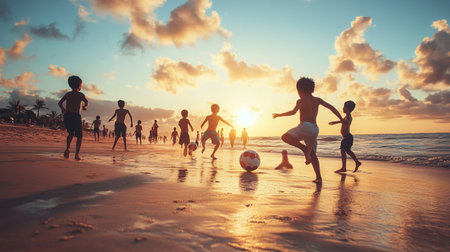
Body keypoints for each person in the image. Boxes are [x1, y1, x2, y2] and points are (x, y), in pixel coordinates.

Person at [273, 77, 344, 184]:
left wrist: (279, 115)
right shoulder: (317, 100)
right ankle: (319, 177)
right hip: (315, 129)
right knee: (313, 155)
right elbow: (331, 107)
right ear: (312, 89)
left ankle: (305, 149)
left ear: (299, 90)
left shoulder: (301, 101)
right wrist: (341, 119)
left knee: (285, 137)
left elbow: (293, 112)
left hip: (305, 126)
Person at [58, 75, 88, 160]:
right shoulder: (81, 94)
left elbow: (60, 103)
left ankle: (67, 148)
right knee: (79, 136)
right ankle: (77, 154)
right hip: (75, 115)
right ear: (79, 85)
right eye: (81, 85)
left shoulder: (68, 94)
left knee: (70, 133)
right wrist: (85, 107)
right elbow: (86, 102)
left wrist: (63, 109)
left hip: (67, 115)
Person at [329, 101, 362, 173]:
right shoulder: (346, 116)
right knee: (347, 151)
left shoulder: (349, 116)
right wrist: (335, 122)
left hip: (347, 137)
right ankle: (357, 162)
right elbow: (342, 121)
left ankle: (344, 167)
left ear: (348, 108)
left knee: (344, 151)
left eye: (344, 107)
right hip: (346, 137)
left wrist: (338, 121)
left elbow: (346, 123)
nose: (342, 108)